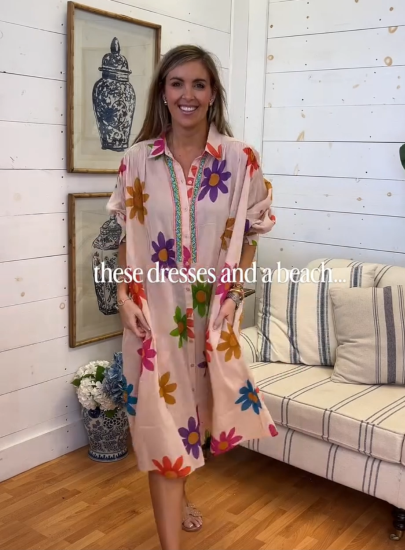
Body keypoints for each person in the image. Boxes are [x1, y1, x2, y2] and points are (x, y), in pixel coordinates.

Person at [106, 44, 278, 550]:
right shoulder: (136, 161)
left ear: (212, 93)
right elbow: (125, 234)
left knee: (193, 418)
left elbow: (252, 233)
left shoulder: (240, 160)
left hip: (210, 316)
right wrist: (123, 294)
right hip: (153, 317)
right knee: (162, 431)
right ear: (163, 92)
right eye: (177, 83)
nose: (188, 94)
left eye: (199, 84)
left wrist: (235, 292)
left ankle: (182, 498)